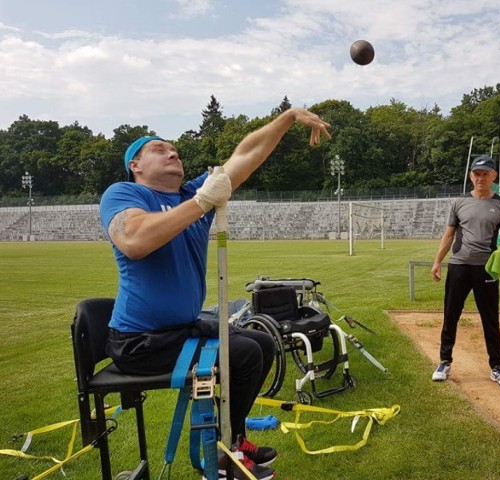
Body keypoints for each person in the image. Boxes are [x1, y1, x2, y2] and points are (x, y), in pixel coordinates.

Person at [99, 108, 331, 480]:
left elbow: (244, 156)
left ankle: (233, 440)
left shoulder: (192, 194)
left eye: (174, 149)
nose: (173, 153)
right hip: (139, 342)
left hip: (179, 329)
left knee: (262, 343)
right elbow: (134, 241)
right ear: (136, 165)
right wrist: (203, 203)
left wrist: (287, 118)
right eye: (160, 149)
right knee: (242, 352)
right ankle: (221, 458)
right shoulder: (124, 193)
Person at [430, 155, 500, 388]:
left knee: (490, 319)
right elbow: (449, 235)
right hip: (458, 266)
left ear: (494, 176)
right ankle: (444, 362)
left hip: (487, 270)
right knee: (451, 316)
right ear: (471, 176)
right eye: (476, 174)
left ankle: (496, 368)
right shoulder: (459, 203)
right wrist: (438, 261)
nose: (480, 178)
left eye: (485, 174)